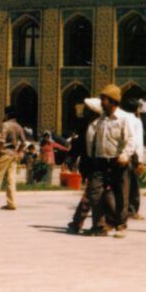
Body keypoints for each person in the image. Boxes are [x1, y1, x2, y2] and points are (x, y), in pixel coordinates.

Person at [84, 84, 136, 237]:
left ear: (113, 101)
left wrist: (125, 155)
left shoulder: (123, 118)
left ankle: (120, 224)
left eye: (104, 99)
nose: (101, 102)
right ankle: (100, 225)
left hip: (118, 161)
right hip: (101, 161)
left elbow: (130, 140)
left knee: (121, 195)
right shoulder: (101, 119)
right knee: (94, 192)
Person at [66, 97, 101, 234]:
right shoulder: (86, 126)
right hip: (90, 166)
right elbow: (78, 145)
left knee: (91, 194)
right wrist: (70, 159)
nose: (84, 112)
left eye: (87, 110)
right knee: (93, 194)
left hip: (100, 165)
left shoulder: (103, 126)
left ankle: (79, 223)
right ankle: (99, 224)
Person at [0, 105, 26, 210]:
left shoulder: (5, 125)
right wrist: (18, 153)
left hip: (5, 153)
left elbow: (2, 142)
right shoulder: (19, 126)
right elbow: (24, 143)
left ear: (7, 114)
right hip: (13, 155)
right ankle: (11, 203)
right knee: (11, 179)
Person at [122, 96, 146, 220]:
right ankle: (132, 210)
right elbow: (138, 141)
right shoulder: (136, 121)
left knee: (121, 183)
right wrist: (140, 161)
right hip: (133, 155)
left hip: (120, 155)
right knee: (133, 184)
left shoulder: (121, 118)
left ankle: (121, 210)